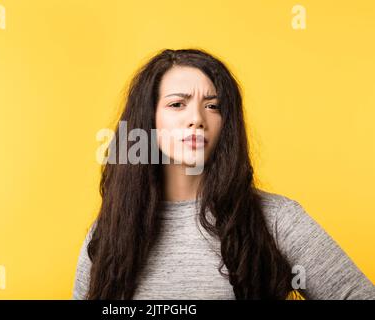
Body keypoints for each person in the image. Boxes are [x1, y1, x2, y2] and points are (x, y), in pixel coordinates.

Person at [72, 48, 375, 300]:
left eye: (213, 106)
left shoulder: (278, 218)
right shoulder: (111, 228)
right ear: (149, 120)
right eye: (178, 104)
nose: (196, 119)